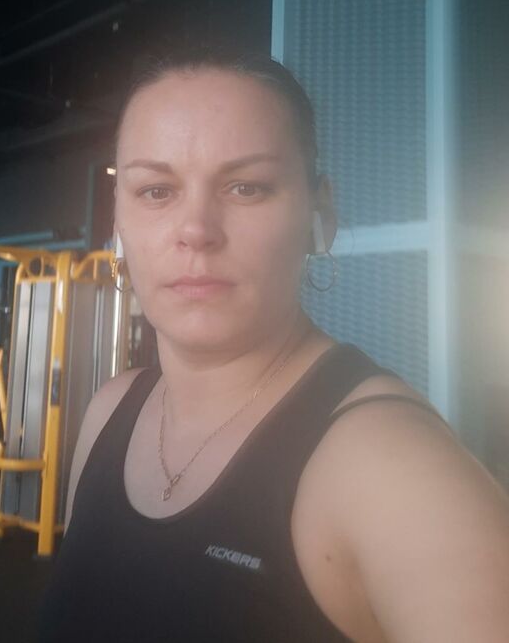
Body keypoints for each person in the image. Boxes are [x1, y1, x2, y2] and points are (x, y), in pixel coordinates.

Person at [39, 49, 509, 642]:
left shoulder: (392, 467)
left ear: (321, 214)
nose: (195, 230)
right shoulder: (110, 410)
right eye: (156, 191)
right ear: (119, 223)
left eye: (247, 187)